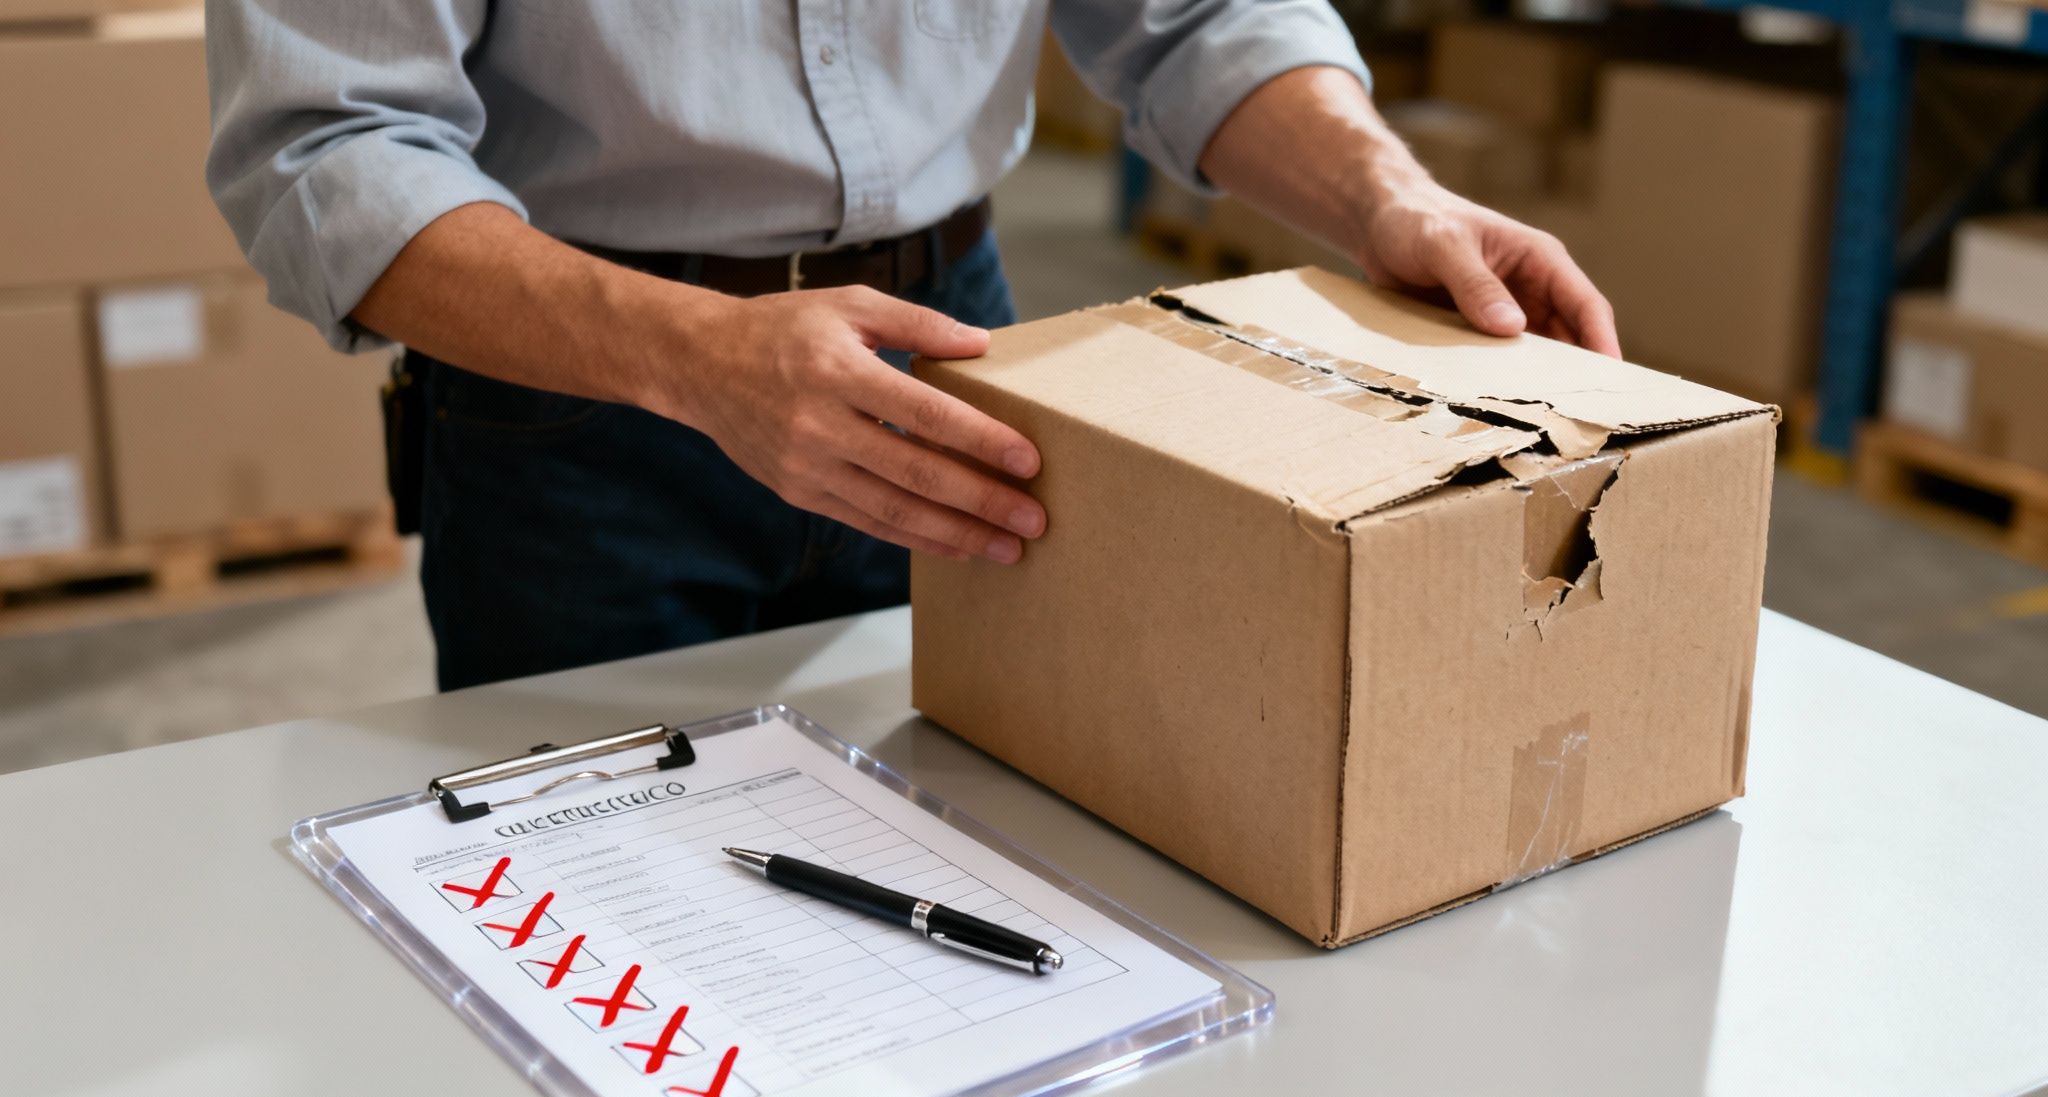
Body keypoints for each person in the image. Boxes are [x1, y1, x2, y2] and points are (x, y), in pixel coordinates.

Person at [205, 2, 1617, 692]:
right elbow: (327, 147)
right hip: (589, 405)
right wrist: (703, 358)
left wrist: (1391, 195)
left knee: (981, 861)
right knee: (610, 923)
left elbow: (1197, 17)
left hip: (963, 357)